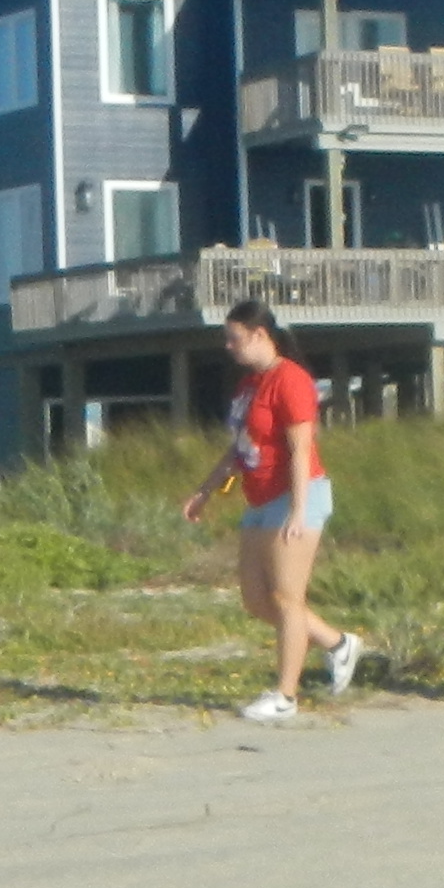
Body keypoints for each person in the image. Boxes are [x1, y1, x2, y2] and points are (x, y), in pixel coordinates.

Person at [179, 300, 363, 723]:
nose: (228, 346)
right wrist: (205, 491)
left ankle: (285, 696)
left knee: (286, 598)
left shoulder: (291, 381)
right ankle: (338, 644)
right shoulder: (248, 386)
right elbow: (239, 450)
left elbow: (301, 449)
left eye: (235, 338)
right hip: (259, 499)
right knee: (256, 599)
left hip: (298, 496)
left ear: (260, 335)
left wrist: (298, 512)